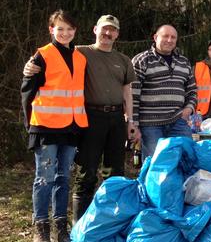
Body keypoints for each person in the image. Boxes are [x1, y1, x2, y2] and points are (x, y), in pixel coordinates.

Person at [23, 15, 139, 222]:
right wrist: (29, 67)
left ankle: (109, 222)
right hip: (87, 118)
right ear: (95, 29)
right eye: (104, 28)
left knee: (114, 171)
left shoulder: (121, 60)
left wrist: (130, 120)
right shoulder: (81, 52)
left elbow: (127, 92)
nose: (107, 33)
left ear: (117, 34)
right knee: (85, 171)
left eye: (112, 30)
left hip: (111, 119)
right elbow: (51, 59)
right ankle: (78, 224)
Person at [21, 10, 88, 242]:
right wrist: (30, 126)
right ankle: (41, 229)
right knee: (44, 179)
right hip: (45, 127)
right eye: (60, 29)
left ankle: (61, 228)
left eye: (69, 29)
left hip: (71, 127)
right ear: (51, 30)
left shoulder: (80, 57)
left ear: (75, 31)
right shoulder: (42, 55)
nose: (65, 33)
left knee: (64, 178)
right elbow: (27, 90)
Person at [131, 24, 197, 160]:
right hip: (150, 125)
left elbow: (192, 91)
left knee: (187, 160)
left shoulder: (184, 62)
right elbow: (133, 96)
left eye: (173, 37)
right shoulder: (142, 60)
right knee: (156, 164)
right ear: (155, 37)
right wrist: (134, 125)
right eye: (165, 36)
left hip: (178, 122)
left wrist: (188, 109)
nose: (169, 40)